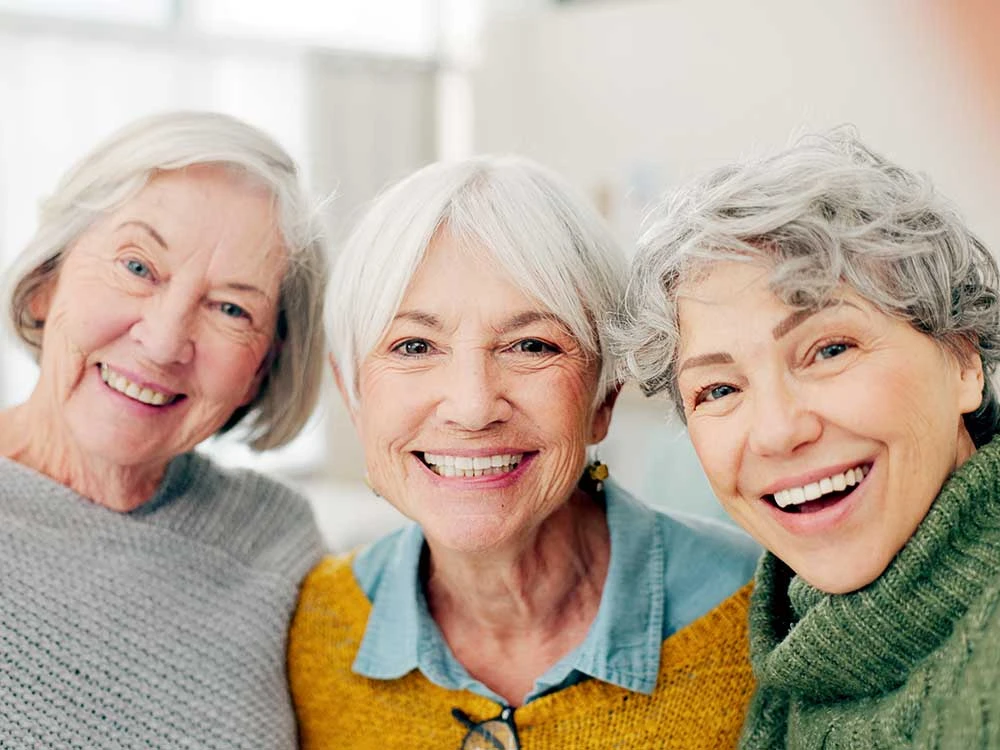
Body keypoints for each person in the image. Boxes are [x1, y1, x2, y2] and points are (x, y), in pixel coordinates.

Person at [289, 154, 761, 749]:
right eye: (414, 346)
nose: (472, 407)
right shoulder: (314, 630)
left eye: (531, 345)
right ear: (353, 395)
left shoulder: (762, 611)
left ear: (605, 396)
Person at [611, 129, 1000, 748]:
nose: (776, 432)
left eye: (830, 350)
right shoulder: (782, 654)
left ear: (962, 361)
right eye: (719, 389)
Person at [0, 111, 329, 748]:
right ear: (46, 279)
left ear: (262, 368)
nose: (163, 342)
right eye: (138, 267)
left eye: (231, 308)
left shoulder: (276, 541)